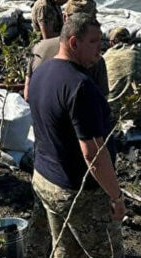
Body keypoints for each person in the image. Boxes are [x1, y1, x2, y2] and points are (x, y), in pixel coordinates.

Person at [28, 13, 125, 257]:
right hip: (77, 193)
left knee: (65, 249)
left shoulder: (43, 71)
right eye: (93, 42)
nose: (100, 50)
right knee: (109, 253)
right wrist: (116, 196)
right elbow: (93, 153)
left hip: (45, 179)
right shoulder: (80, 86)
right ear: (73, 43)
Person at [24, 0, 108, 100]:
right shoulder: (95, 60)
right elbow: (102, 104)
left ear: (65, 17)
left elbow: (27, 95)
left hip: (37, 114)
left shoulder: (38, 47)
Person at [104, 27, 141, 120]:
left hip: (110, 112)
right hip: (138, 110)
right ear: (130, 41)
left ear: (111, 42)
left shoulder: (105, 57)